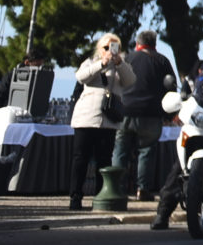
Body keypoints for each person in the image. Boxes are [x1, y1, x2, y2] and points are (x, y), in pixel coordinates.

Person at [67, 33, 136, 210]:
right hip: (86, 118)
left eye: (114, 48)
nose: (110, 51)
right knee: (80, 159)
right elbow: (81, 77)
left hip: (108, 120)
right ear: (100, 48)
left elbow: (130, 81)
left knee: (103, 160)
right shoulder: (91, 61)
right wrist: (101, 63)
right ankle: (75, 197)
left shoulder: (122, 65)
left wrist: (119, 63)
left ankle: (101, 196)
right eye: (106, 47)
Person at [115, 29, 175, 200]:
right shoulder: (162, 61)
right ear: (155, 44)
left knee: (120, 150)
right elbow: (171, 88)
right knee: (146, 151)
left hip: (124, 111)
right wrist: (170, 116)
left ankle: (116, 188)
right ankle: (143, 189)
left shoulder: (127, 58)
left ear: (138, 43)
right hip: (151, 113)